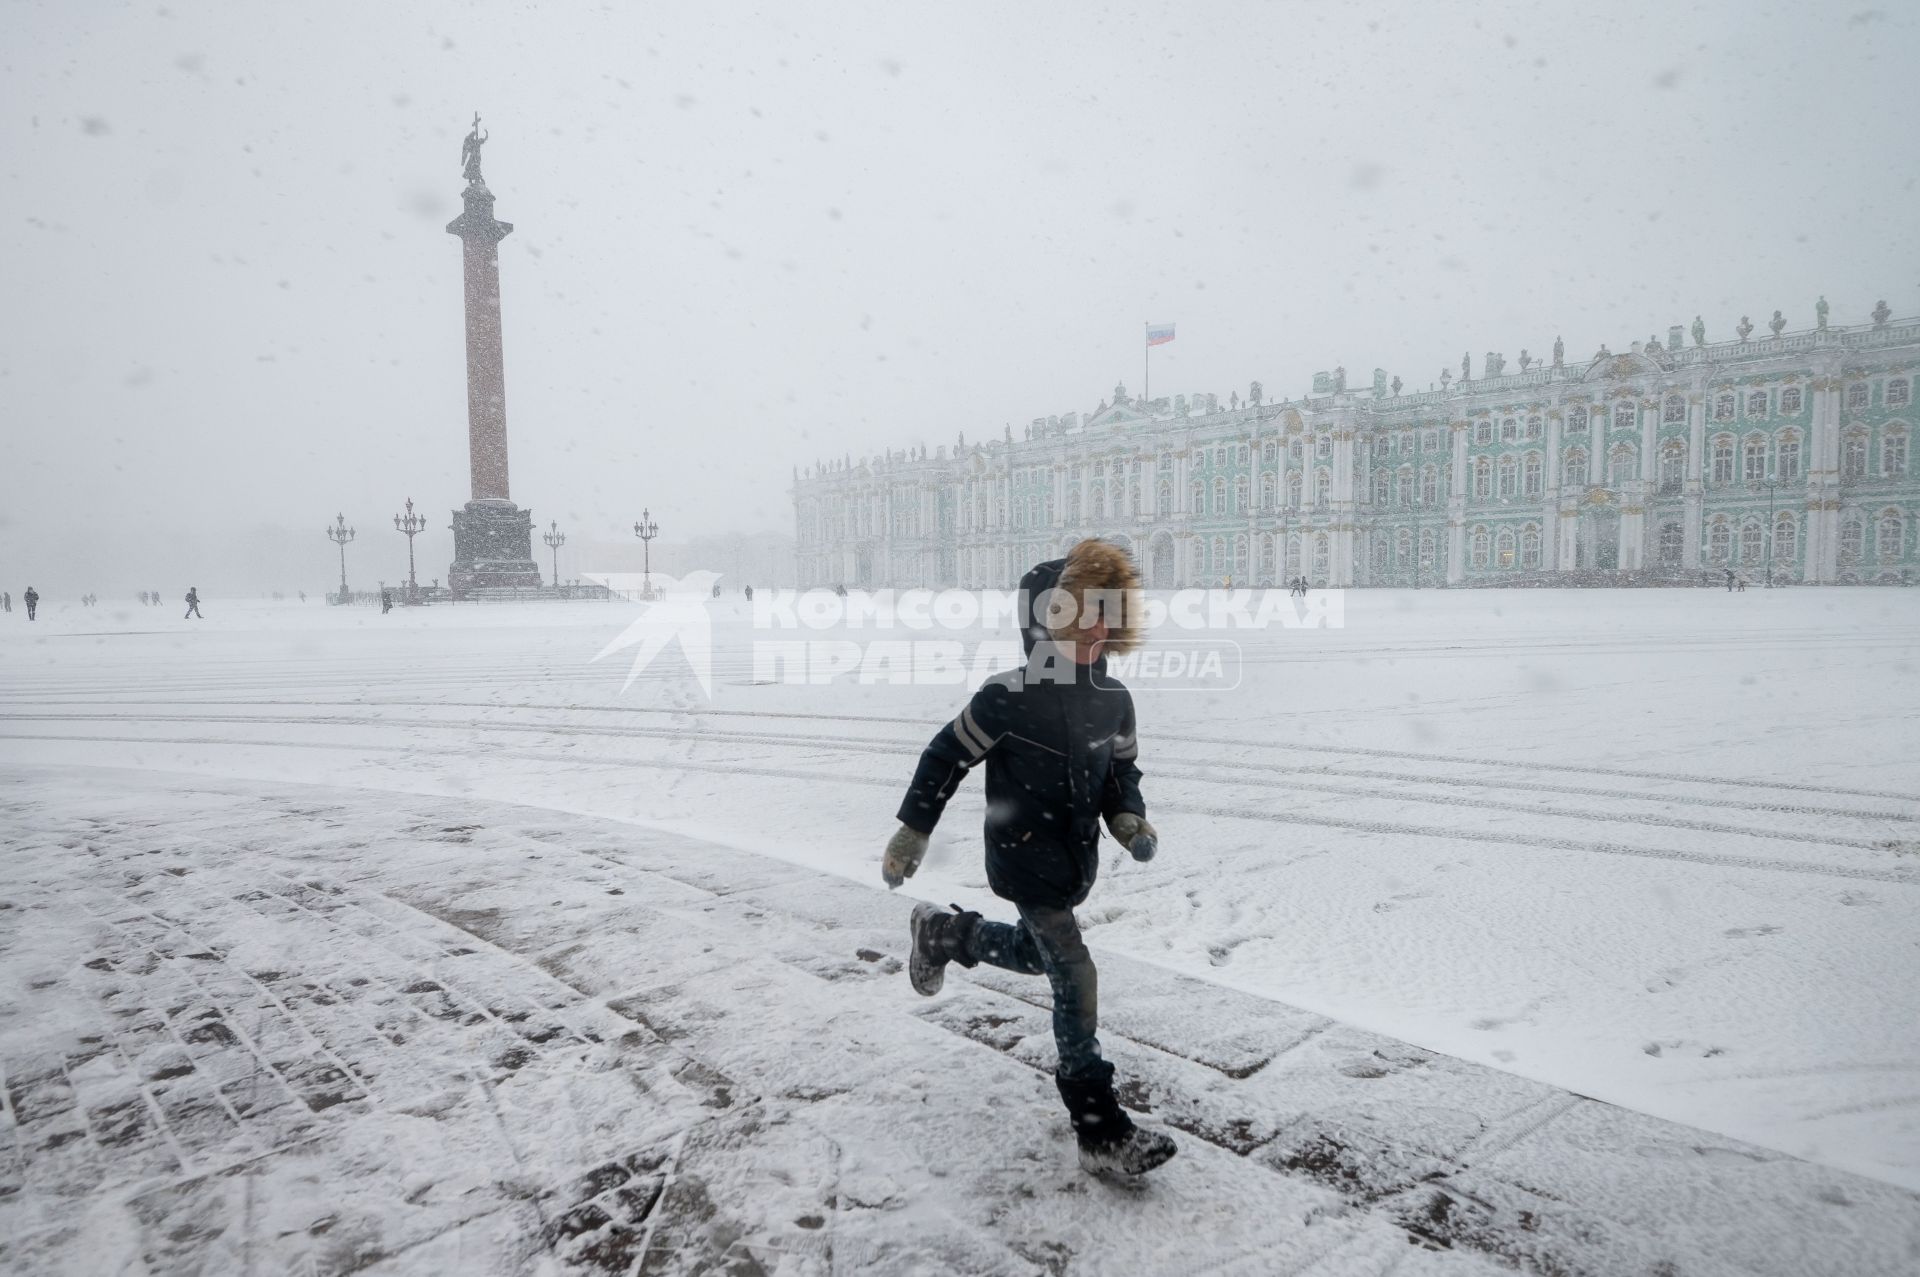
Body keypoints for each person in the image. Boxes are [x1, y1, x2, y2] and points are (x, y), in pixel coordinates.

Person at [881, 539, 1176, 1177]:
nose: (1103, 626)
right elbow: (945, 758)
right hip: (1023, 856)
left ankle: (944, 933)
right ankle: (1098, 1125)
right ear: (1050, 619)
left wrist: (1127, 816)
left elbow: (1120, 771)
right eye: (1088, 612)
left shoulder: (1114, 699)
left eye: (1110, 612)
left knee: (1032, 955)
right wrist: (913, 830)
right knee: (1074, 974)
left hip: (1075, 861)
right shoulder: (1006, 697)